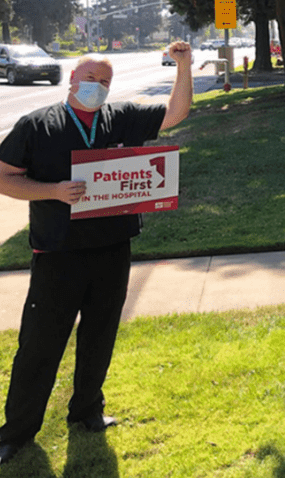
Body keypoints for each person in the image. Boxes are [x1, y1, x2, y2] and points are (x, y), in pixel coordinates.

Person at [0, 41, 194, 464]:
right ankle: (16, 431)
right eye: (90, 79)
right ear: (72, 79)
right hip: (57, 252)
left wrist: (184, 67)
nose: (97, 87)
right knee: (40, 343)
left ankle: (87, 410)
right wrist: (52, 191)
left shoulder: (119, 117)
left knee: (99, 336)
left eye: (105, 81)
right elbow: (4, 177)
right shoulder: (37, 126)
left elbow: (175, 114)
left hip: (111, 248)